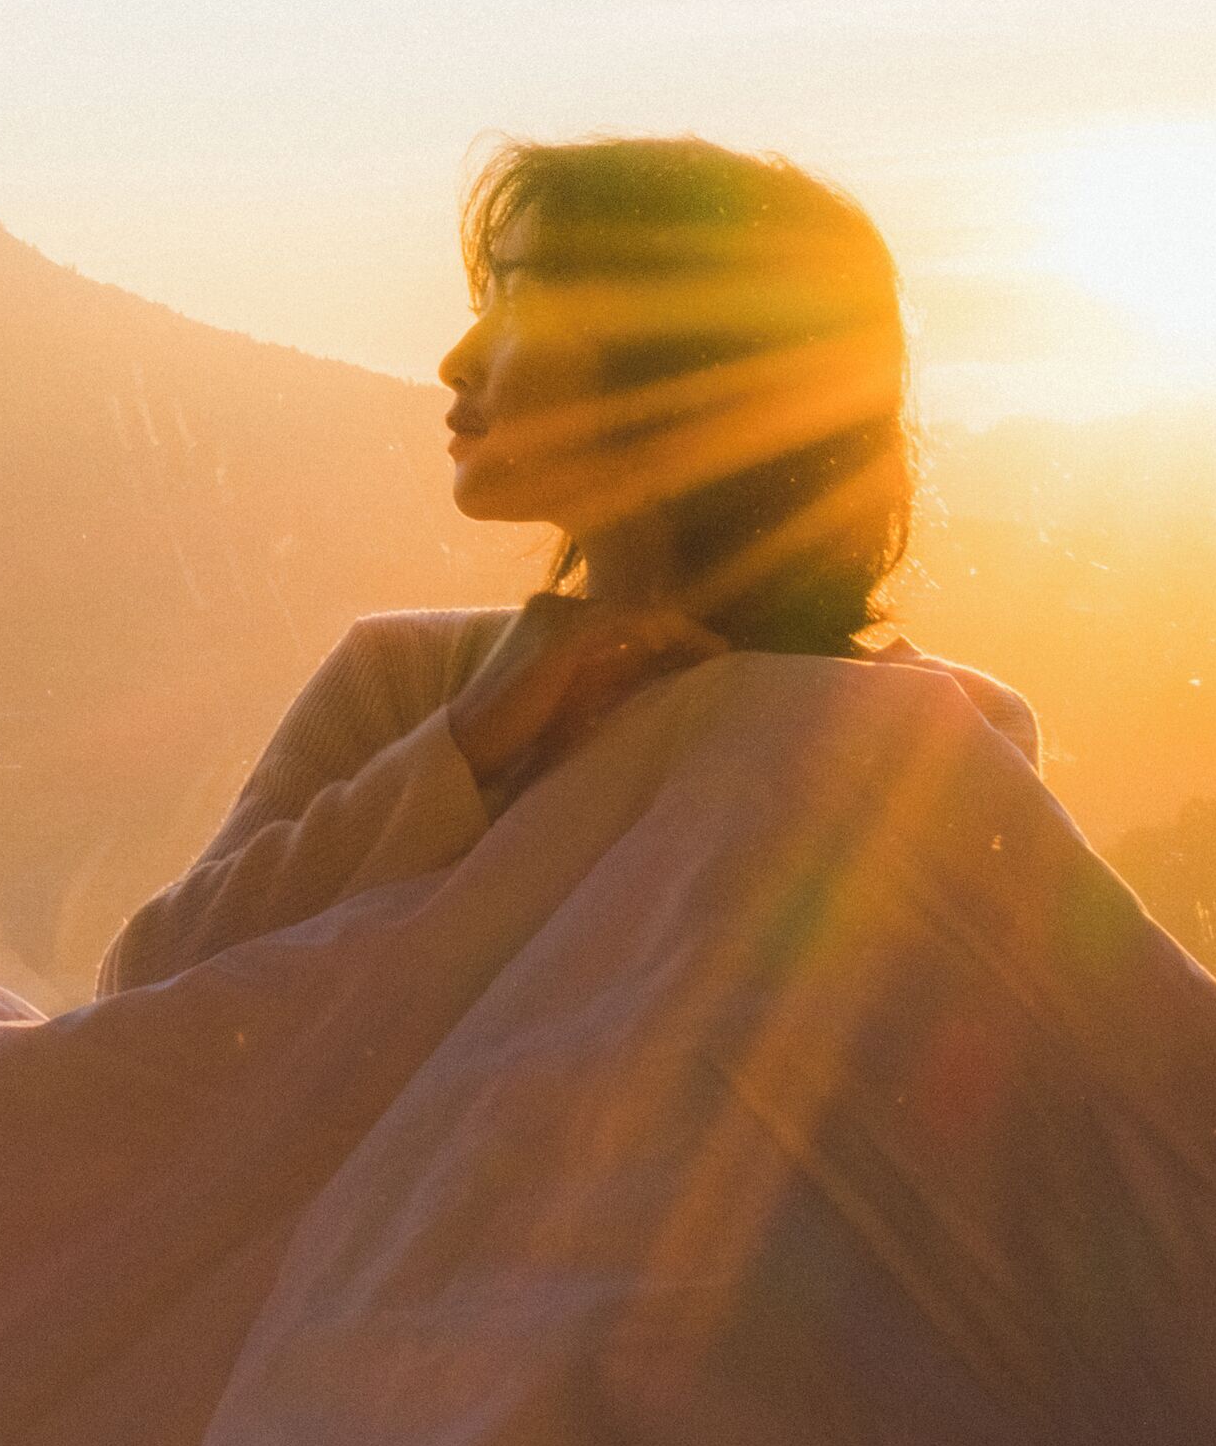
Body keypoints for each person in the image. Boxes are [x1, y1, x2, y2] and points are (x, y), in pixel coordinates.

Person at [100, 134, 1034, 993]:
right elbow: (147, 987)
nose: (456, 360)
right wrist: (464, 746)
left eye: (523, 298)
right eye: (485, 301)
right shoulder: (408, 680)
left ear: (685, 358)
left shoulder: (936, 735)